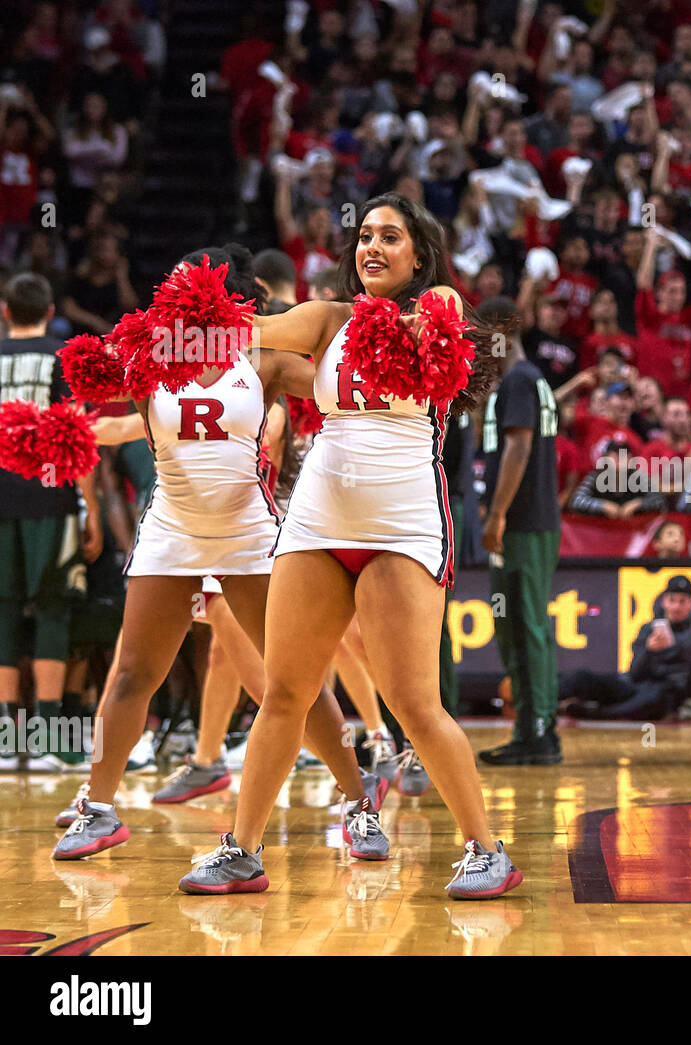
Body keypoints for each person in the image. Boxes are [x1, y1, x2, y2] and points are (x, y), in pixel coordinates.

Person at [178, 197, 521, 900]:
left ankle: (488, 848)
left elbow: (438, 319)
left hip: (402, 526)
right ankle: (242, 849)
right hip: (317, 522)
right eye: (364, 235)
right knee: (285, 693)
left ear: (419, 255)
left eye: (390, 237)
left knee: (414, 702)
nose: (372, 246)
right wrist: (195, 312)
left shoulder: (439, 304)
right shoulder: (329, 318)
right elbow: (258, 331)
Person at [53, 246, 388, 863]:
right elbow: (91, 396)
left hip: (248, 533)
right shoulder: (148, 360)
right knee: (132, 674)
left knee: (295, 680)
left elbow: (337, 377)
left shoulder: (259, 360)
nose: (174, 299)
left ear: (227, 300)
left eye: (189, 287)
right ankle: (96, 807)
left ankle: (359, 802)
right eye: (172, 288)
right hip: (171, 528)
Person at [0, 274, 103, 772]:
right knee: (52, 612)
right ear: (51, 310)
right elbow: (76, 432)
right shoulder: (60, 357)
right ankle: (45, 743)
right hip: (48, 496)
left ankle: (5, 740)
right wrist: (93, 510)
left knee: (2, 613)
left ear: (5, 311)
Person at [477, 297, 564, 767]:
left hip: (523, 523)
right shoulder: (530, 380)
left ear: (502, 330)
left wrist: (496, 516)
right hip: (533, 521)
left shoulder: (517, 380)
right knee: (527, 626)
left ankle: (535, 731)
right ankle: (537, 727)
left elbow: (519, 445)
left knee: (522, 628)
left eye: (481, 333)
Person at [562, 575, 691, 720]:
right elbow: (635, 672)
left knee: (652, 700)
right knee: (582, 677)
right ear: (664, 601)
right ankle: (549, 701)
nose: (676, 607)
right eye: (672, 600)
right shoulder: (647, 629)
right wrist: (649, 651)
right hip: (635, 685)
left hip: (666, 692)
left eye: (682, 601)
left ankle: (598, 713)